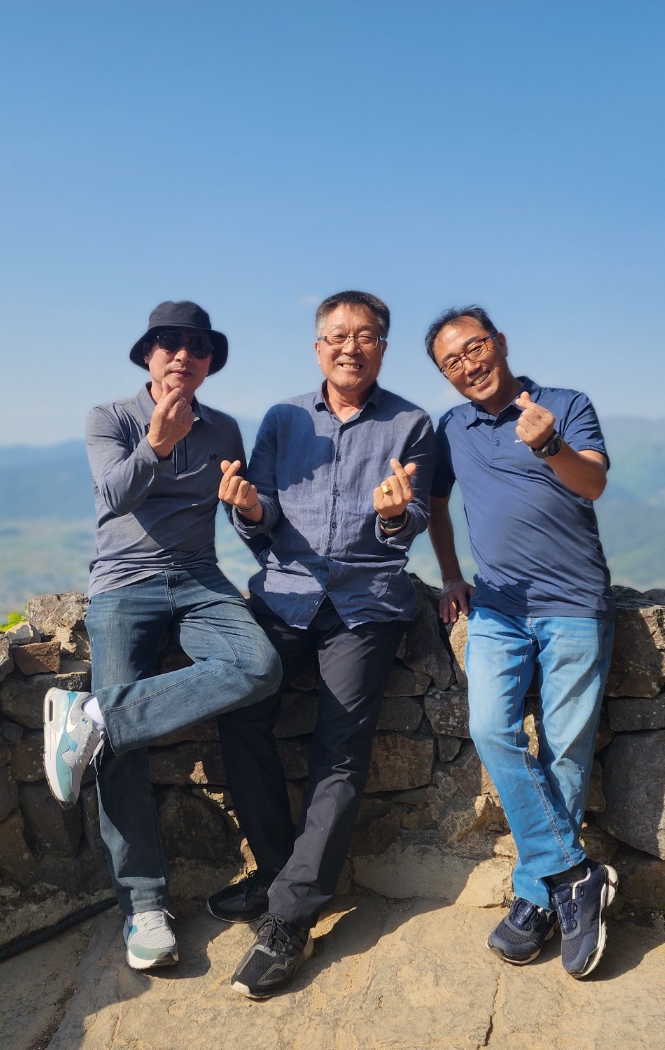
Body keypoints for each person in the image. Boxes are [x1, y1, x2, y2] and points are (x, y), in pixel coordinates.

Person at [42, 300, 282, 973]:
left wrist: (249, 508)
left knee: (259, 666)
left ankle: (93, 716)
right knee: (121, 751)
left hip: (200, 579)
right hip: (123, 584)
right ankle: (144, 905)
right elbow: (112, 498)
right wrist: (158, 443)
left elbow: (244, 519)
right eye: (170, 342)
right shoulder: (111, 418)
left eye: (198, 346)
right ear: (148, 355)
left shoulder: (225, 427)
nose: (184, 354)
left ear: (209, 362)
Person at [209, 290, 434, 999]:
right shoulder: (283, 419)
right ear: (317, 348)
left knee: (340, 748)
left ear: (382, 349)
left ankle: (290, 918)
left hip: (366, 602)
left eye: (365, 336)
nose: (350, 347)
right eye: (337, 335)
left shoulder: (410, 423)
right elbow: (261, 513)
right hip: (285, 591)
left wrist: (394, 518)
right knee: (240, 713)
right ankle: (280, 872)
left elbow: (414, 520)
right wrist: (249, 509)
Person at [423, 305, 617, 979]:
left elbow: (593, 482)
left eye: (475, 347)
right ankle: (574, 873)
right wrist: (450, 573)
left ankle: (536, 897)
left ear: (501, 343)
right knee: (489, 728)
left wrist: (549, 444)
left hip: (575, 604)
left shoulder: (564, 404)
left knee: (566, 751)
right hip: (498, 607)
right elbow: (434, 503)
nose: (467, 365)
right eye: (451, 361)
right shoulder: (452, 428)